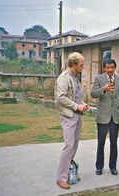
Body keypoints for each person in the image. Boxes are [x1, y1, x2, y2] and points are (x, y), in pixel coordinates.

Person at [54, 52, 89, 189]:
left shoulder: (75, 77)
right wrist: (76, 106)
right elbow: (60, 98)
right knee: (69, 146)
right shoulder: (64, 78)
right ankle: (61, 178)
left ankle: (70, 173)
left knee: (74, 146)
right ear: (74, 65)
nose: (83, 66)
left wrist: (83, 105)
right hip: (68, 116)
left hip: (77, 115)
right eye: (81, 64)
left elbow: (76, 96)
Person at [90, 58, 119, 176]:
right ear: (104, 68)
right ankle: (99, 167)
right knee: (101, 143)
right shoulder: (99, 79)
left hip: (115, 116)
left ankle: (113, 167)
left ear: (115, 68)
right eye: (108, 67)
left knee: (114, 143)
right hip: (102, 116)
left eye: (112, 67)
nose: (110, 69)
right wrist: (103, 89)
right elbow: (93, 94)